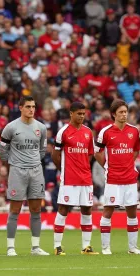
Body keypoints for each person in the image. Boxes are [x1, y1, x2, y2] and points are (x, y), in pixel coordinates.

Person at [0, 95, 49, 256]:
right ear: (20, 108)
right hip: (17, 172)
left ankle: (35, 247)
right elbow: (2, 151)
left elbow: (42, 150)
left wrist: (32, 162)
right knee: (15, 209)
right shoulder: (11, 127)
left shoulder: (41, 127)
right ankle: (11, 247)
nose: (31, 109)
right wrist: (14, 163)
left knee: (36, 209)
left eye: (33, 107)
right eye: (28, 106)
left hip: (36, 171)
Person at [95, 100, 140, 255]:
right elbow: (97, 153)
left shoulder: (134, 131)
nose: (124, 114)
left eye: (125, 111)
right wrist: (107, 166)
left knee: (132, 211)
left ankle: (132, 247)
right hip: (113, 178)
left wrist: (129, 162)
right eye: (121, 112)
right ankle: (105, 247)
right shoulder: (106, 132)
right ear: (113, 114)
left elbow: (136, 150)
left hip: (130, 178)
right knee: (108, 211)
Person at [52, 102, 98, 255]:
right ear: (71, 113)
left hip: (85, 178)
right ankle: (57, 246)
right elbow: (55, 155)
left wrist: (83, 166)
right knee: (64, 209)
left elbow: (90, 154)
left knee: (87, 209)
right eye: (79, 113)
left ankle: (86, 246)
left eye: (83, 114)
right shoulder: (63, 132)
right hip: (69, 178)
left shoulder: (88, 132)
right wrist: (64, 170)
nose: (82, 116)